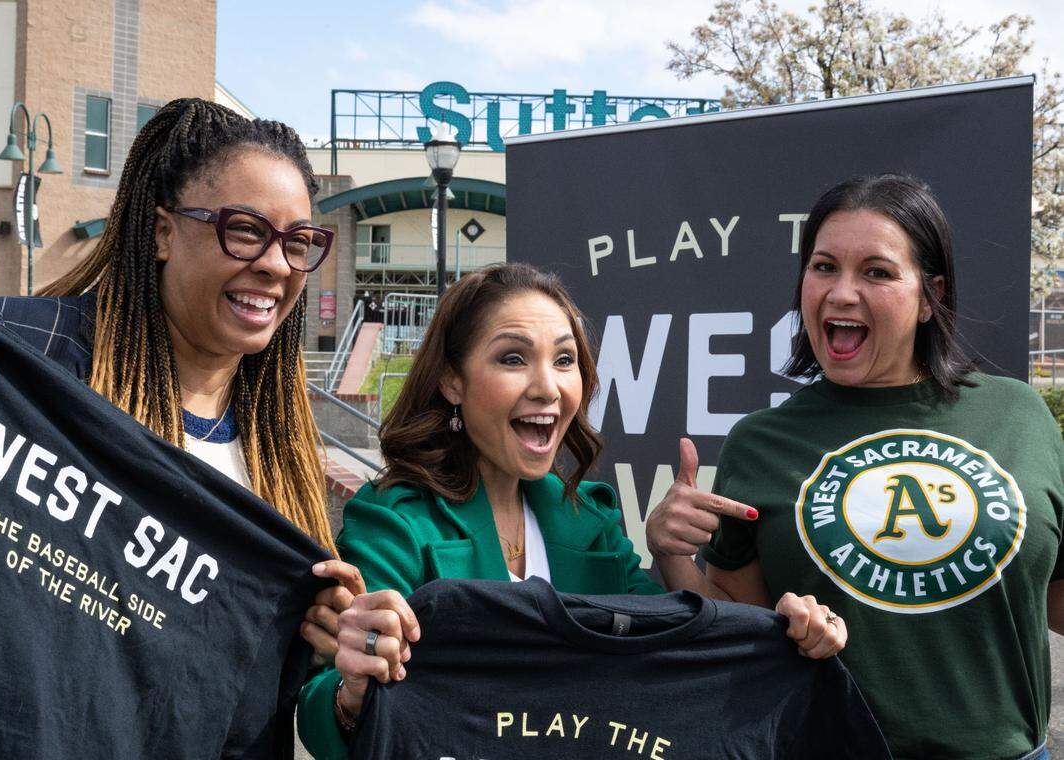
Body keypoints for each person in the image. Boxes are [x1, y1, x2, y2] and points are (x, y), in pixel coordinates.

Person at [297, 263, 846, 760]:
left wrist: (780, 629)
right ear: (451, 381)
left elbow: (687, 657)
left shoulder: (590, 523)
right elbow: (324, 710)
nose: (548, 387)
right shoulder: (396, 520)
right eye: (513, 358)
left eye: (564, 360)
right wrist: (353, 690)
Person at [647, 173, 1064, 759]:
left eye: (877, 271)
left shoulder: (1019, 414)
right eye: (823, 267)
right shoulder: (760, 442)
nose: (841, 293)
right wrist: (670, 553)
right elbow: (734, 628)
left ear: (931, 295)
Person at [0, 97, 336, 552]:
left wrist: (337, 621)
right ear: (164, 232)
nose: (276, 265)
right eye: (245, 230)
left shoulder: (280, 444)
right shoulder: (19, 353)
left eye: (298, 242)